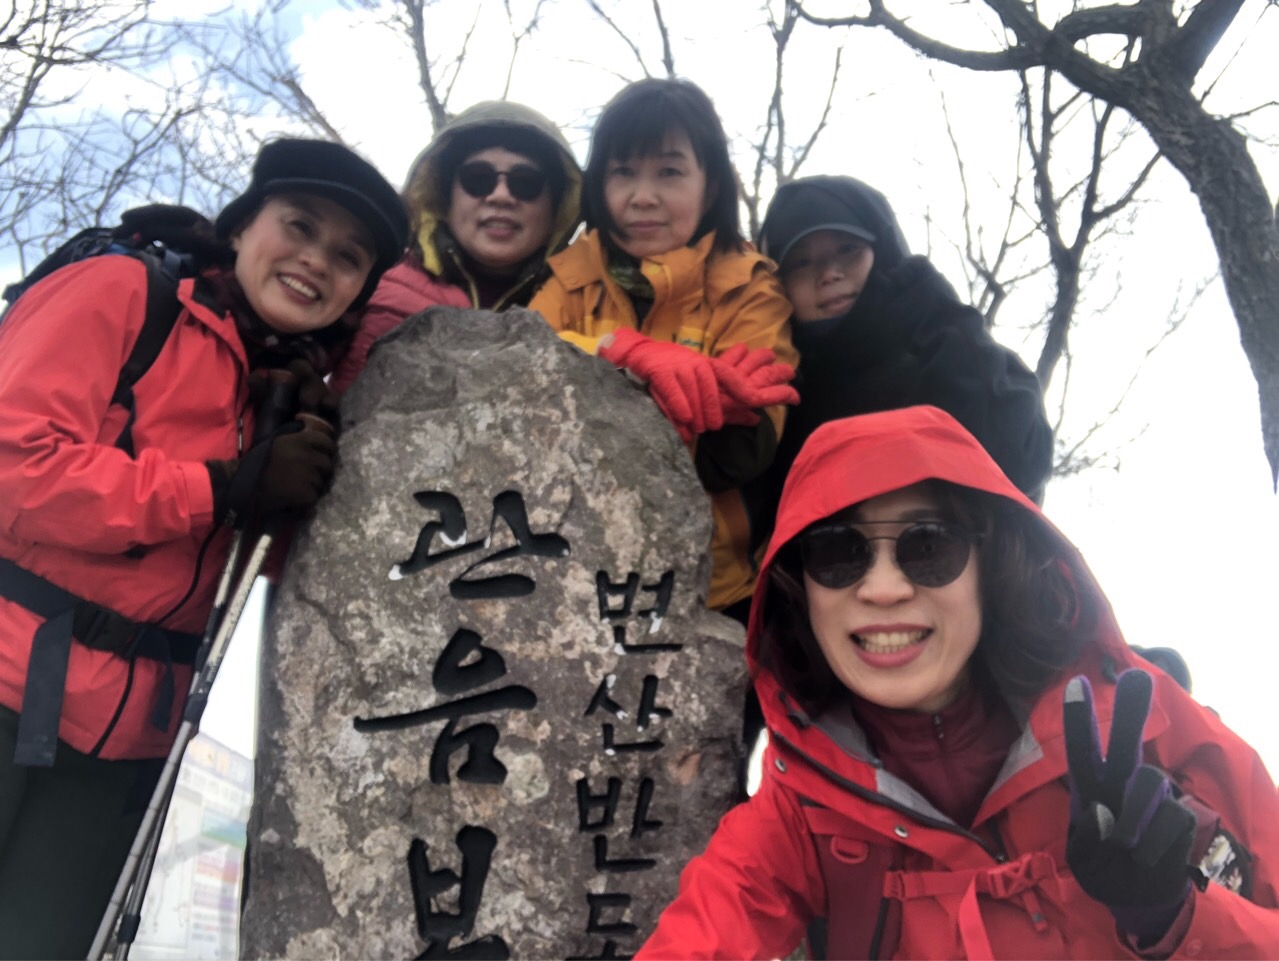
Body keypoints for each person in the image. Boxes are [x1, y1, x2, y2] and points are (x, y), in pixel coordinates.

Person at [638, 405, 1279, 959]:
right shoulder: (800, 815)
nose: (882, 588)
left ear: (988, 567)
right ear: (798, 589)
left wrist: (1176, 921)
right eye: (837, 552)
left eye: (928, 546)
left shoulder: (1141, 721)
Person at [0, 138, 409, 959]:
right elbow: (16, 464)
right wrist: (219, 487)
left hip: (128, 745)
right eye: (298, 225)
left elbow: (267, 572)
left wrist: (310, 467)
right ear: (241, 226)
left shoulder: (282, 390)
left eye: (348, 257)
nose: (315, 260)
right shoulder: (125, 291)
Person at [530, 78, 799, 617]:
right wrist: (619, 352)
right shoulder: (570, 277)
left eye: (670, 172)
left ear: (711, 186)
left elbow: (740, 453)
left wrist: (595, 394)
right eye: (623, 172)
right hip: (570, 567)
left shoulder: (750, 286)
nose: (643, 196)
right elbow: (517, 372)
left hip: (717, 587)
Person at [750, 175, 1053, 550]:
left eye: (847, 249)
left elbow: (1017, 465)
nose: (828, 273)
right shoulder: (780, 396)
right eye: (802, 261)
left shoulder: (948, 350)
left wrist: (943, 317)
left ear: (884, 250)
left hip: (953, 569)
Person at [329, 100, 582, 394]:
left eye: (526, 182)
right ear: (444, 200)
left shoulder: (588, 304)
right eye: (478, 179)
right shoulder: (372, 277)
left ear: (556, 210)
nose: (501, 196)